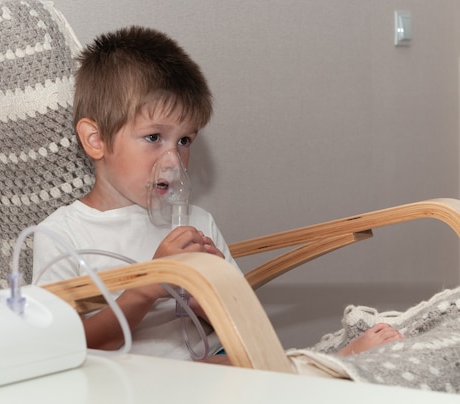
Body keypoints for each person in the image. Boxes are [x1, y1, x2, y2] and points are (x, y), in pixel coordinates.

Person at [33, 26, 402, 363]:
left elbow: (242, 328)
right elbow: (64, 347)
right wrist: (145, 289)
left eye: (185, 140)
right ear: (96, 140)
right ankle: (331, 365)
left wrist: (207, 299)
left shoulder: (196, 222)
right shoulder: (64, 236)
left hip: (210, 365)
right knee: (262, 369)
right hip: (135, 377)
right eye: (153, 137)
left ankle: (322, 364)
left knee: (256, 361)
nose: (172, 159)